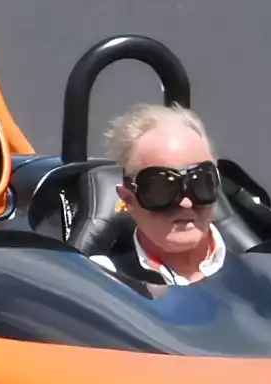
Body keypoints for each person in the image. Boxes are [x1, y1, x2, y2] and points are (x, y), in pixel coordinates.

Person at [88, 102, 228, 285]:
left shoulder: (256, 265)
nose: (186, 203)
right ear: (128, 199)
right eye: (163, 189)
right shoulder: (104, 280)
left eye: (200, 182)